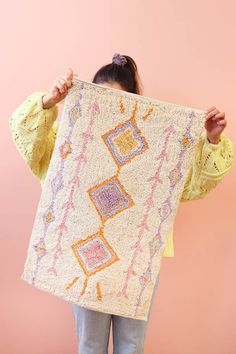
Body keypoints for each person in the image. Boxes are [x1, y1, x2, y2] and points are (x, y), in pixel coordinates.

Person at [9, 53, 233, 354]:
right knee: (90, 345)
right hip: (86, 256)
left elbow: (191, 184)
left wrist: (211, 141)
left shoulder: (156, 152)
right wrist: (49, 102)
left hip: (136, 259)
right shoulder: (71, 143)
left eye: (120, 104)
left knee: (132, 346)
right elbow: (32, 145)